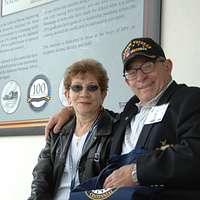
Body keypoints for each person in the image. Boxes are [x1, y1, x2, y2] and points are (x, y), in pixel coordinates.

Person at [45, 37, 200, 199]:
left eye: (147, 66)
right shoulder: (127, 113)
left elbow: (194, 153)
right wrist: (70, 111)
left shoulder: (190, 99)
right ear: (127, 81)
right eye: (132, 72)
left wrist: (136, 172)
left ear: (167, 66)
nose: (140, 77)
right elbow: (93, 114)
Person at [28, 59, 116, 200]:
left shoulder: (116, 128)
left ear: (103, 94)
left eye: (92, 87)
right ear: (68, 95)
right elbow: (41, 178)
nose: (84, 94)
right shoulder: (57, 130)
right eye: (77, 88)